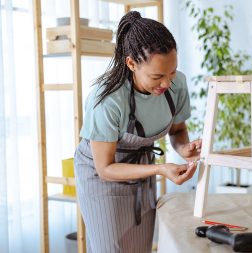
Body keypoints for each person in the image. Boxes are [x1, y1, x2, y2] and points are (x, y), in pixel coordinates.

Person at [74, 11, 201, 253]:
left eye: (171, 72)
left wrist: (184, 148)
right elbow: (105, 168)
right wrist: (161, 169)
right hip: (102, 178)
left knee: (140, 248)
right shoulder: (108, 100)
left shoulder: (177, 85)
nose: (166, 83)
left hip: (143, 172)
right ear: (131, 63)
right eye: (157, 76)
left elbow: (178, 129)